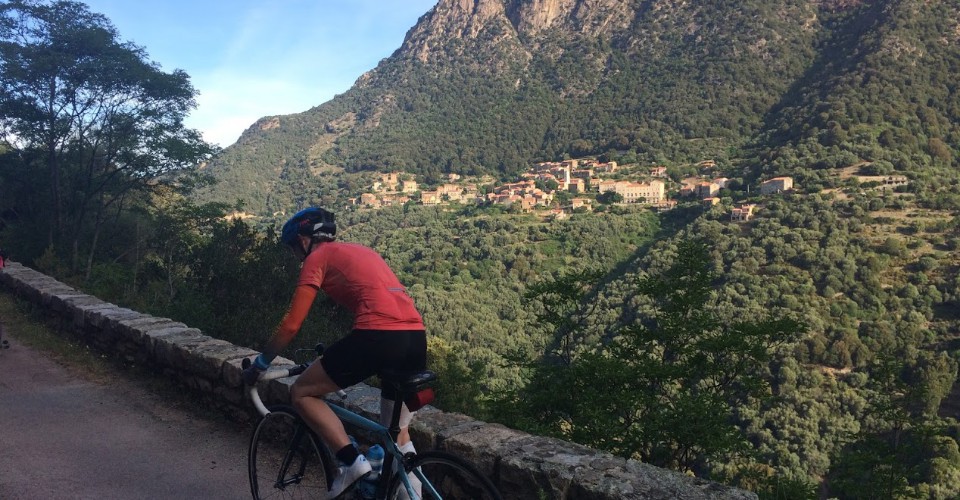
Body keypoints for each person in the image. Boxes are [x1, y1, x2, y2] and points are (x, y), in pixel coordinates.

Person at [242, 207, 426, 498]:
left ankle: (352, 463)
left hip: (377, 337)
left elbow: (291, 325)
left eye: (293, 248)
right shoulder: (359, 251)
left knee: (302, 393)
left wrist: (261, 364)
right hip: (415, 337)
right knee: (397, 434)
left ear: (304, 241)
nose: (294, 255)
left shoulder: (316, 258)